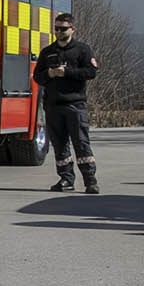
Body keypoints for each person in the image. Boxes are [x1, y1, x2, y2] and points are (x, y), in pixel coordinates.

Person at [34, 11, 101, 193]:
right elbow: (37, 77)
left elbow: (91, 72)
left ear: (72, 29)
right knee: (59, 144)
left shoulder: (82, 50)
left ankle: (90, 180)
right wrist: (50, 73)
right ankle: (66, 178)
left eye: (63, 29)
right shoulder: (48, 52)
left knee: (81, 143)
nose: (59, 32)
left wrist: (67, 72)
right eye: (56, 29)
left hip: (75, 104)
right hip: (53, 105)